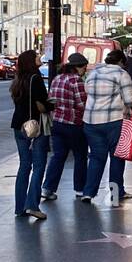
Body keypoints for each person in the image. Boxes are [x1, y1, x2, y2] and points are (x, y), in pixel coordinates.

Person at [82, 46, 132, 206]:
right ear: (121, 61)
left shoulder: (93, 73)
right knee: (117, 157)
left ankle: (88, 192)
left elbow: (87, 92)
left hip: (91, 121)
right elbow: (129, 99)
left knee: (96, 158)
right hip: (114, 121)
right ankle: (116, 194)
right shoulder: (121, 74)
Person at [10, 49, 52, 221]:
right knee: (39, 165)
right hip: (34, 126)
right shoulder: (36, 79)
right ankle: (32, 206)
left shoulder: (18, 80)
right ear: (30, 61)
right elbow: (41, 106)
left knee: (24, 166)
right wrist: (52, 106)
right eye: (36, 56)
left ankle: (20, 206)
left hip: (18, 126)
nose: (39, 58)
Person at [41, 52, 89, 201]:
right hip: (74, 124)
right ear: (79, 68)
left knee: (58, 156)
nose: (85, 71)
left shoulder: (57, 79)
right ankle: (80, 189)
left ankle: (48, 188)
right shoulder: (76, 81)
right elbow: (82, 104)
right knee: (80, 155)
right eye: (84, 68)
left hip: (57, 123)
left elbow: (51, 99)